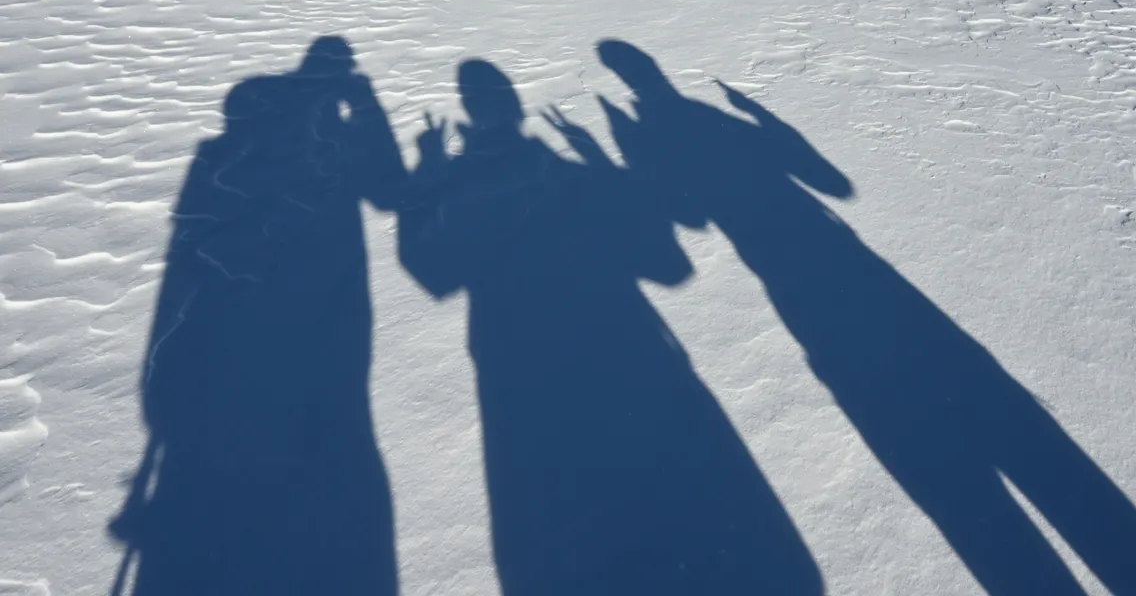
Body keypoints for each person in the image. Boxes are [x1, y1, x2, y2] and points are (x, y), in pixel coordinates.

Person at [595, 38, 1136, 596]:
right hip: (840, 260)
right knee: (1033, 453)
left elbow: (687, 225)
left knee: (957, 482)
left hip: (797, 283)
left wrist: (622, 153)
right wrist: (765, 125)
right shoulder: (700, 120)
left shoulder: (652, 133)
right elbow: (831, 183)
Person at [398, 59, 822, 596]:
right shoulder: (569, 179)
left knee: (563, 500)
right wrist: (598, 164)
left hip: (519, 366)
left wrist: (429, 168)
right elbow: (670, 266)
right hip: (624, 351)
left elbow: (431, 269)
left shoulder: (465, 187)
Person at [109, 36, 405, 596]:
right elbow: (392, 192)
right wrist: (365, 105)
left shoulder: (223, 156)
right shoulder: (330, 147)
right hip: (322, 350)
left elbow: (181, 269)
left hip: (229, 356)